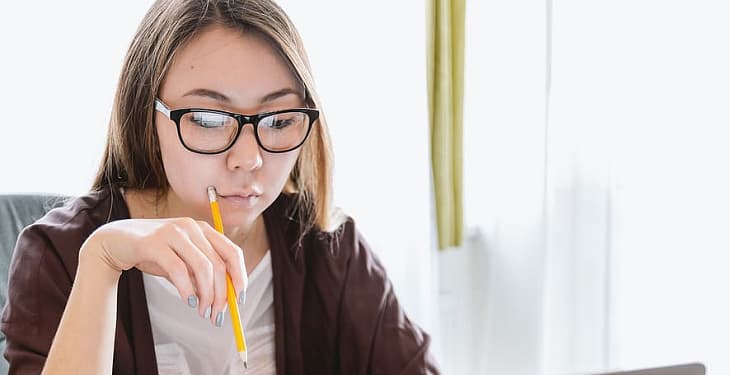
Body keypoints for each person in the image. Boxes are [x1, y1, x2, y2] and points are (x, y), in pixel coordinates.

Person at [0, 0, 439, 374]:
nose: (249, 159)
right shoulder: (61, 255)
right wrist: (102, 265)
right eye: (209, 120)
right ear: (146, 116)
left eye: (281, 119)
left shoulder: (328, 248)